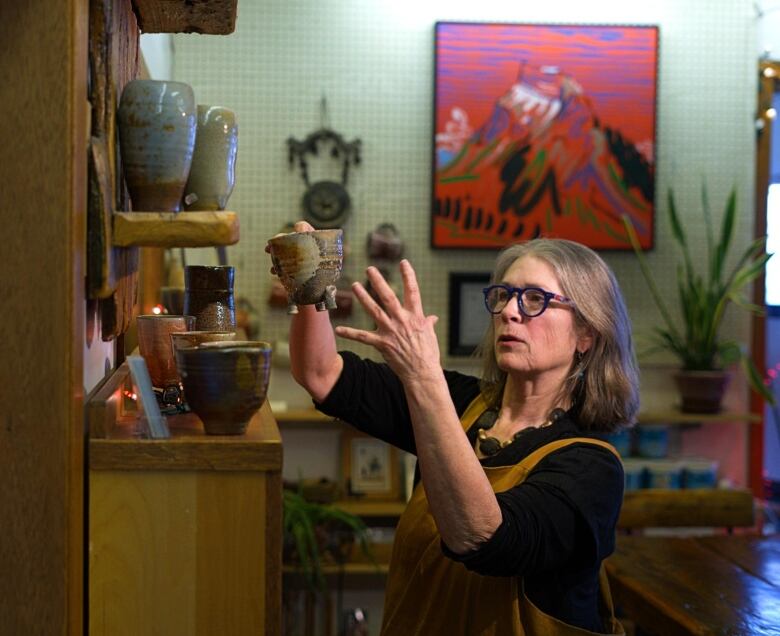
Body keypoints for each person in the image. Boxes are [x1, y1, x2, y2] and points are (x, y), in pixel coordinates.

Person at [272, 221, 639, 636]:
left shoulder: (590, 468)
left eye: (535, 299)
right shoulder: (463, 405)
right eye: (503, 296)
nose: (510, 311)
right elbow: (320, 372)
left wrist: (423, 377)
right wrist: (309, 284)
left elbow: (483, 538)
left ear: (587, 333)